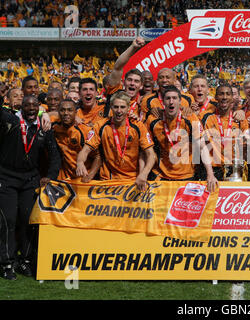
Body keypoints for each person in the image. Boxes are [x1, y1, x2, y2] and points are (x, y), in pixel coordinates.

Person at [0, 95, 61, 280]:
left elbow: (54, 155)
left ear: (39, 108)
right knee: (7, 220)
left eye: (36, 105)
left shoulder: (44, 127)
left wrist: (50, 176)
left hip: (30, 179)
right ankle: (6, 263)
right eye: (28, 105)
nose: (32, 108)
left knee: (29, 220)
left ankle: (25, 260)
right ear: (21, 107)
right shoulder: (10, 121)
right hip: (6, 177)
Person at [76, 91, 156, 191]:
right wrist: (80, 162)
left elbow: (151, 154)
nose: (119, 110)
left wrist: (144, 174)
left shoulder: (138, 126)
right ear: (111, 107)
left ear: (128, 108)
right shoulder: (100, 125)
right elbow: (85, 150)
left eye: (122, 107)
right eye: (116, 107)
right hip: (108, 180)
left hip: (132, 181)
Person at [146, 85, 217, 191]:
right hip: (161, 176)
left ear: (180, 101)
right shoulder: (153, 120)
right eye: (168, 98)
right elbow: (147, 150)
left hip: (187, 175)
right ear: (163, 102)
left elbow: (202, 147)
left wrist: (210, 174)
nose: (171, 102)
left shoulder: (190, 118)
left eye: (174, 98)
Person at [201, 82, 248, 181]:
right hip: (213, 170)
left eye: (228, 94)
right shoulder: (205, 118)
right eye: (221, 94)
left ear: (232, 97)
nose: (224, 97)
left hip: (234, 169)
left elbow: (245, 146)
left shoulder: (240, 120)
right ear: (216, 97)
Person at [52, 99, 101, 182]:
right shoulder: (54, 128)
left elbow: (98, 156)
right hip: (64, 179)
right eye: (62, 110)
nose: (66, 113)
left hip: (83, 178)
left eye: (70, 110)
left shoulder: (85, 131)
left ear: (76, 112)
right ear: (58, 112)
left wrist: (90, 176)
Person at [106, 37, 146, 121]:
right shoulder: (114, 93)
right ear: (124, 82)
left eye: (136, 81)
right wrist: (133, 47)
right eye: (129, 80)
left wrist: (137, 122)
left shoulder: (143, 104)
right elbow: (117, 67)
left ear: (141, 86)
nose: (132, 83)